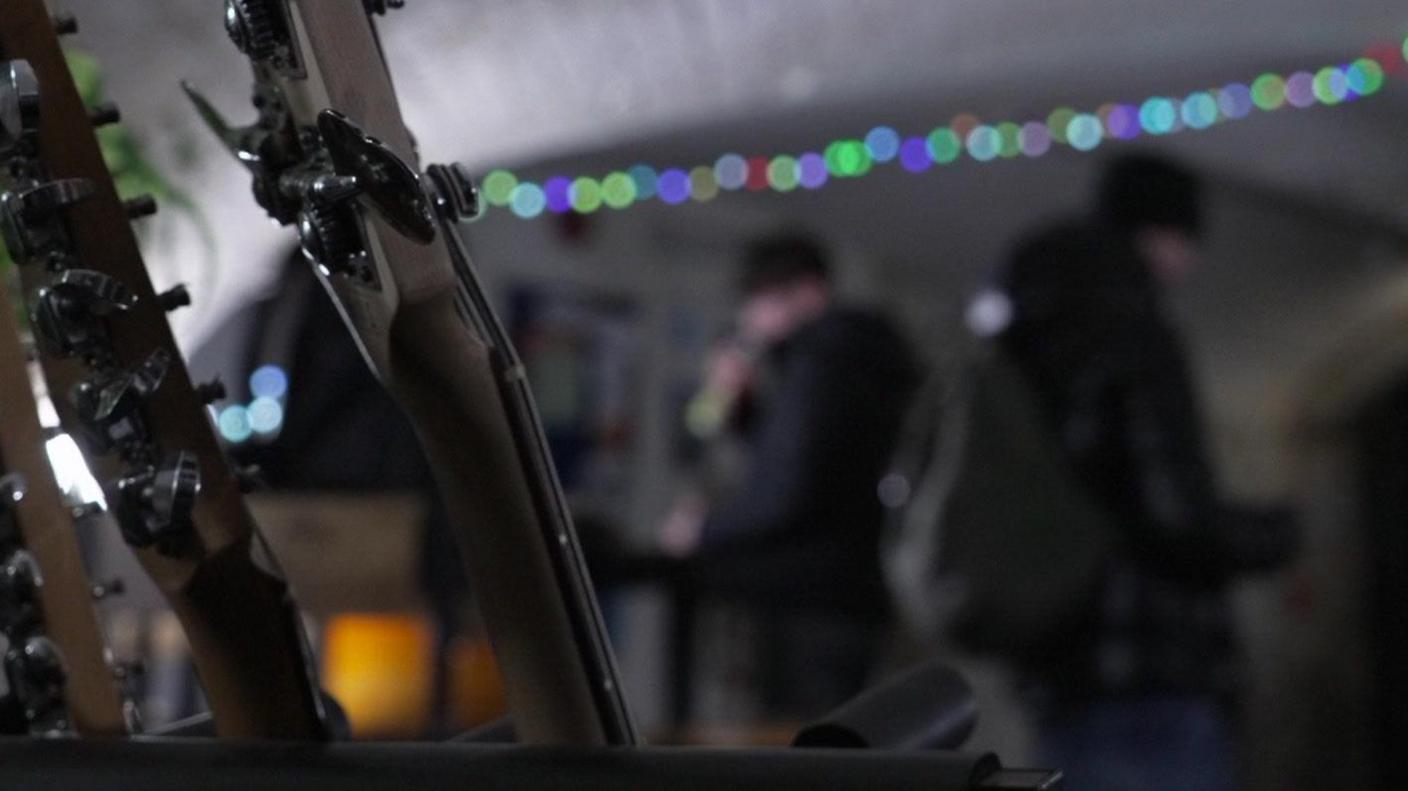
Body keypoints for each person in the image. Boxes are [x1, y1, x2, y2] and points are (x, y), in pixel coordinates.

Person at [987, 154, 1293, 790]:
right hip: (1149, 665)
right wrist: (1273, 534)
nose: (1189, 262)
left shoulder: (1025, 336)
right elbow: (1173, 515)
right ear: (1161, 234)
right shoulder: (1134, 332)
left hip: (1056, 660)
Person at [661, 232, 921, 718]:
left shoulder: (823, 362)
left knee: (802, 743)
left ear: (806, 292)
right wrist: (743, 412)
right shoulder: (861, 356)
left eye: (761, 300)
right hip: (852, 590)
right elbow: (808, 465)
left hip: (814, 596)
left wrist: (703, 531)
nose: (751, 320)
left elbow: (789, 490)